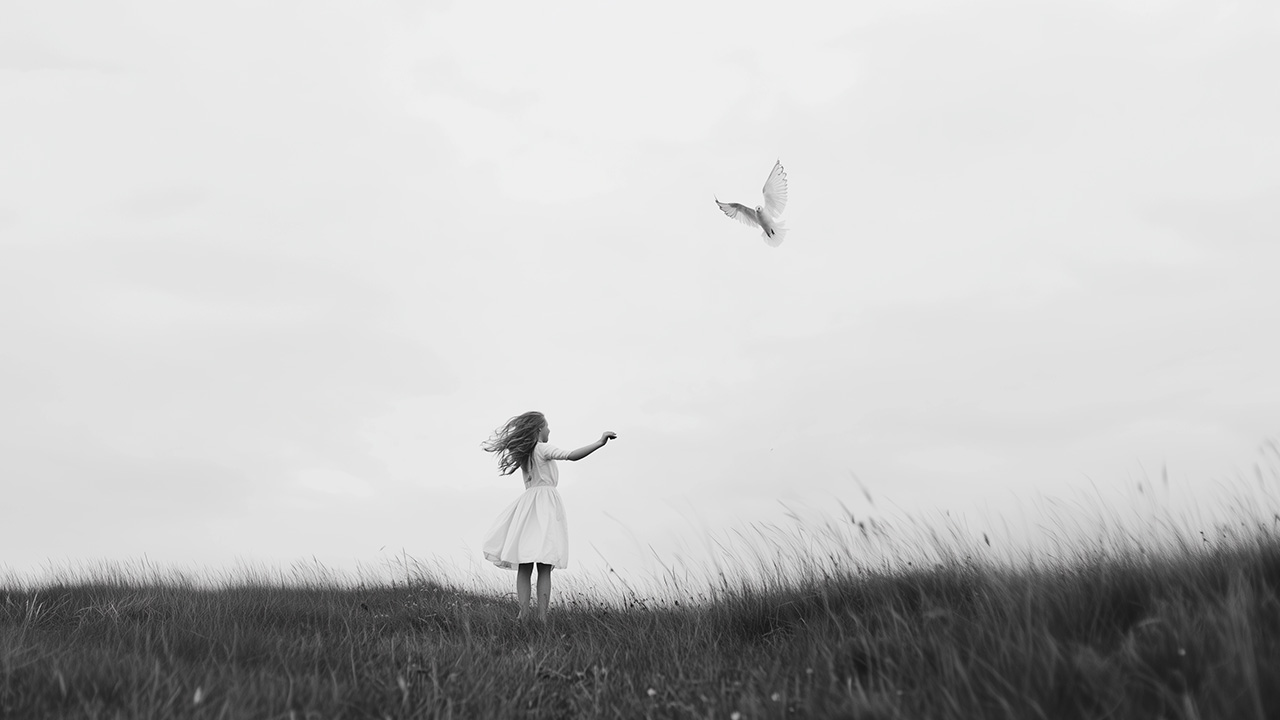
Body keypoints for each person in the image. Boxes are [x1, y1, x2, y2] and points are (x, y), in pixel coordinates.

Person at [480, 411, 617, 621]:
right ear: (539, 429)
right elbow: (571, 455)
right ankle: (542, 617)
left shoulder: (525, 453)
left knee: (525, 563)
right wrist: (599, 442)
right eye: (547, 426)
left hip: (528, 506)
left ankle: (523, 613)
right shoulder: (542, 448)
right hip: (545, 506)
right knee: (544, 566)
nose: (549, 430)